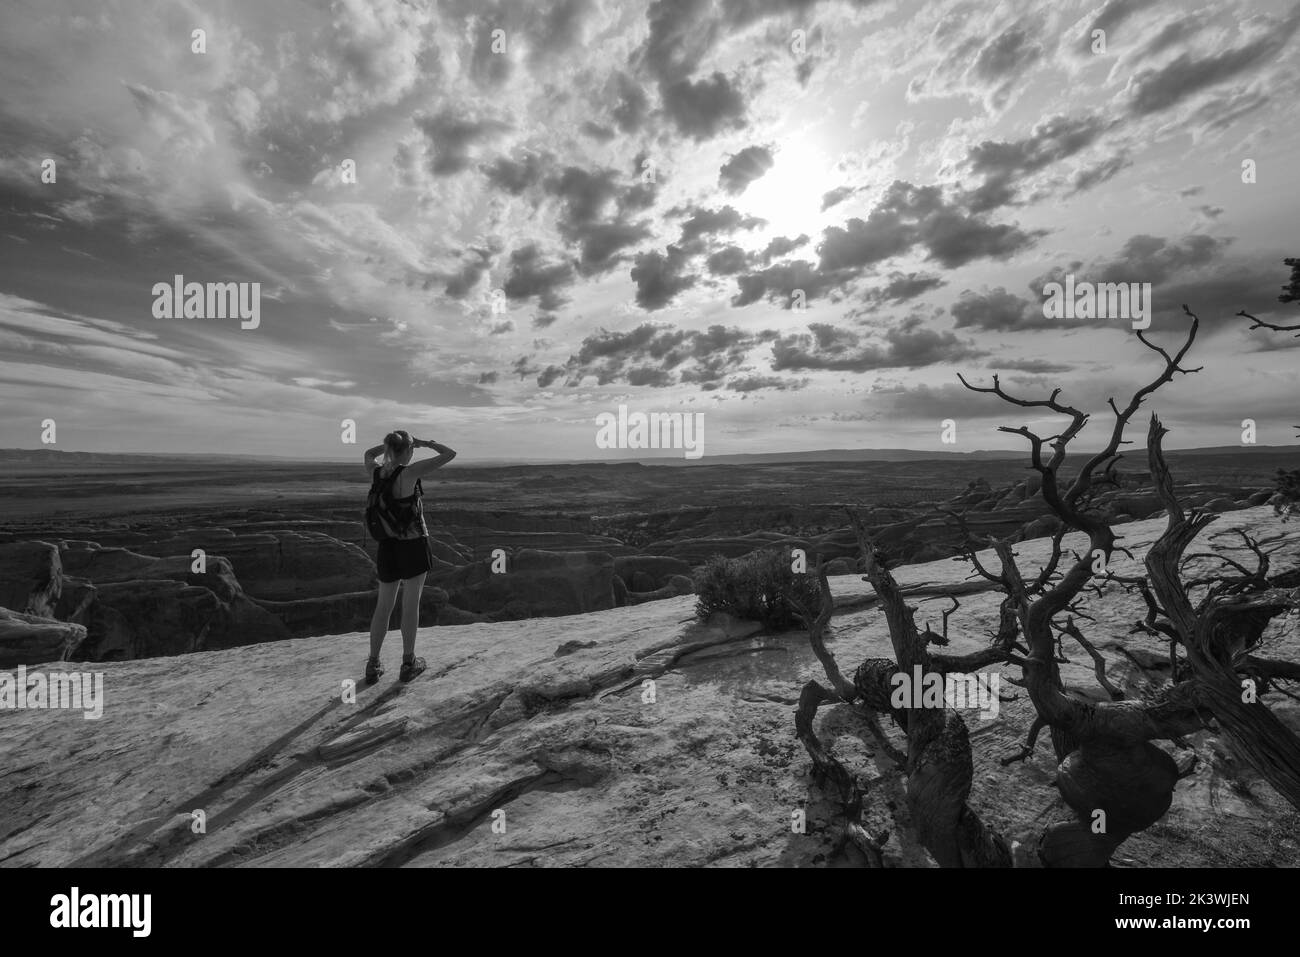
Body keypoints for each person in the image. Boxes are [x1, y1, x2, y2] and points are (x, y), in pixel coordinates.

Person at [362, 429, 456, 684]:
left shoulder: (376, 472)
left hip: (387, 546)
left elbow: (369, 453)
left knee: (384, 605)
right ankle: (408, 662)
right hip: (412, 544)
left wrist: (388, 448)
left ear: (390, 449)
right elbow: (450, 454)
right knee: (410, 604)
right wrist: (428, 443)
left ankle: (373, 663)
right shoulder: (409, 472)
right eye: (412, 448)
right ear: (409, 451)